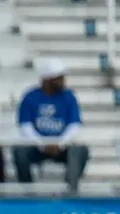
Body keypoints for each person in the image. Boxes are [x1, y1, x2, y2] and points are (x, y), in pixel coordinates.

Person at [15, 59, 89, 190]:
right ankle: (27, 190)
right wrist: (42, 144)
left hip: (61, 145)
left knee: (80, 150)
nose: (63, 81)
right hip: (36, 144)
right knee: (20, 152)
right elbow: (25, 125)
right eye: (59, 78)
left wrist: (60, 143)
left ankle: (71, 188)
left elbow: (74, 125)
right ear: (47, 80)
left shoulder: (69, 96)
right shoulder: (30, 96)